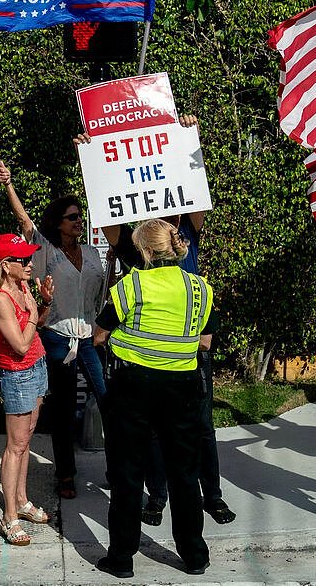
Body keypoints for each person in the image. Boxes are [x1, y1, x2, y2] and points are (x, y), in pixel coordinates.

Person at [93, 218, 217, 579]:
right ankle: (195, 555)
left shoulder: (130, 285)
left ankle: (121, 559)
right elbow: (205, 342)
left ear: (145, 250)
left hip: (133, 388)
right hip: (182, 388)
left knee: (128, 473)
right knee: (184, 472)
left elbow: (100, 336)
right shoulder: (200, 289)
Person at [0, 161, 106, 500]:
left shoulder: (92, 253)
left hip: (90, 338)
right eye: (72, 217)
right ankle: (66, 474)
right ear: (59, 224)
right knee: (61, 411)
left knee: (108, 401)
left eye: (80, 217)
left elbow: (101, 291)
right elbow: (24, 222)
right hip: (58, 338)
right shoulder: (47, 252)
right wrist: (9, 186)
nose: (79, 222)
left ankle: (117, 468)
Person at [0, 233, 55, 545]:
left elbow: (38, 324)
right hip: (18, 372)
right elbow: (20, 343)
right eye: (22, 259)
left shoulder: (21, 285)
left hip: (37, 365)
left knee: (26, 440)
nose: (29, 264)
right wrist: (36, 313)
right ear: (5, 264)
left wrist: (45, 304)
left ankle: (22, 500)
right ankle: (9, 516)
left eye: (29, 258)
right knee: (14, 446)